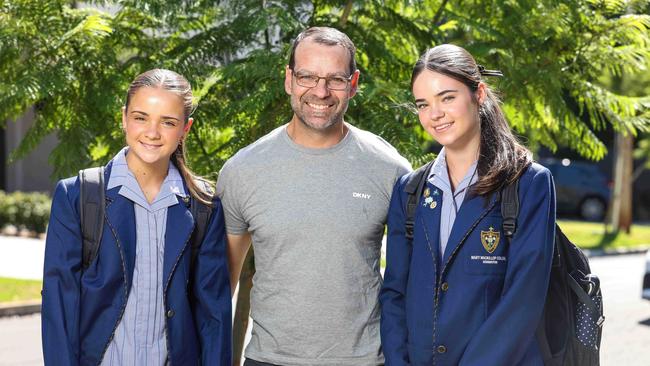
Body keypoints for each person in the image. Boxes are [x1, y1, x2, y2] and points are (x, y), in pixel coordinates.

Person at [217, 27, 411, 366]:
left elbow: (410, 285)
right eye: (307, 76)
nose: (320, 92)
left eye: (335, 79)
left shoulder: (390, 169)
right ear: (289, 79)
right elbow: (221, 289)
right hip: (269, 359)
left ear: (353, 83)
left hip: (366, 360)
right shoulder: (241, 171)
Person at [379, 44, 556, 366]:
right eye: (423, 104)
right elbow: (394, 296)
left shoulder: (528, 183)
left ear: (479, 94)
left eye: (447, 98)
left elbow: (524, 299)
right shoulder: (409, 191)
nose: (435, 114)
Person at [41, 69, 232, 365]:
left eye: (168, 122)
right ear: (124, 118)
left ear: (185, 128)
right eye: (141, 117)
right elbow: (58, 306)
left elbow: (214, 315)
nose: (152, 133)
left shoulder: (204, 205)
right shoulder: (77, 196)